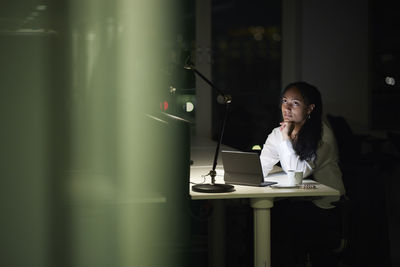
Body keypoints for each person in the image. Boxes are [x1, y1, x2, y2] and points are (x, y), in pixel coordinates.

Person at [259, 81, 346, 266]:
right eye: (284, 101)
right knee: (266, 217)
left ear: (310, 108)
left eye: (295, 103)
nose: (287, 107)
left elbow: (298, 173)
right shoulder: (278, 133)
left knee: (282, 222)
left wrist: (285, 139)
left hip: (324, 205)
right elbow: (262, 165)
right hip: (298, 199)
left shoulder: (323, 137)